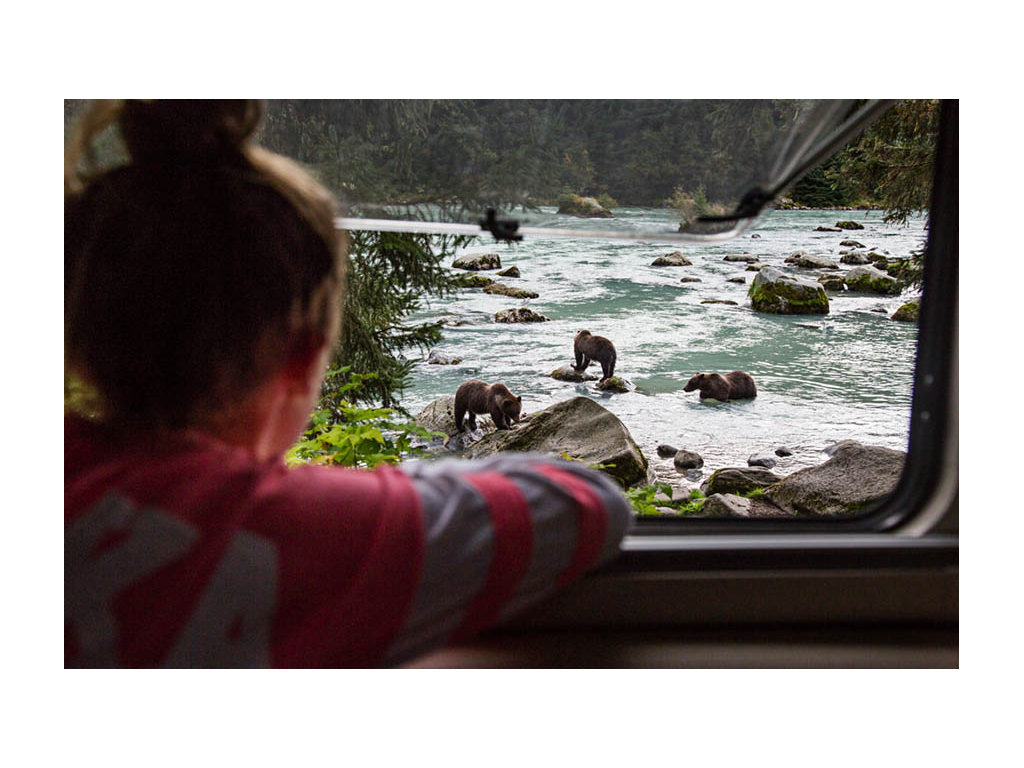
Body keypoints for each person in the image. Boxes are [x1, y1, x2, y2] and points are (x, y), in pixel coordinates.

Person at [64, 100, 633, 668]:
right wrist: (387, 492)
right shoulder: (304, 528)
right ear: (304, 358)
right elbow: (586, 504)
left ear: (78, 340)